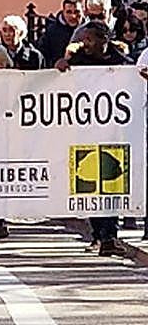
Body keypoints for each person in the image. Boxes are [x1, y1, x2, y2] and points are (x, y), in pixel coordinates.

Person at [58, 21, 132, 257]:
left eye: (90, 39)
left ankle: (109, 234)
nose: (86, 43)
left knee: (111, 182)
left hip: (113, 133)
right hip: (85, 133)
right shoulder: (78, 60)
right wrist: (62, 65)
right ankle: (98, 233)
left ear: (104, 40)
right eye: (84, 39)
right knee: (88, 183)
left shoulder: (121, 62)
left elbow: (132, 80)